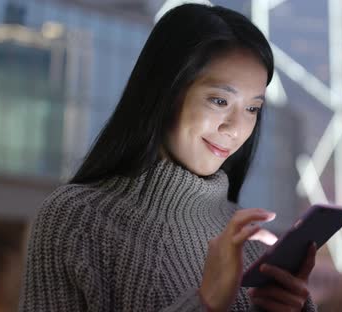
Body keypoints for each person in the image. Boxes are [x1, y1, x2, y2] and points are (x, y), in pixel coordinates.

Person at [19, 3, 318, 312]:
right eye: (219, 100)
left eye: (252, 108)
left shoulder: (253, 243)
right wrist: (205, 303)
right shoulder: (75, 219)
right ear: (166, 92)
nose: (235, 128)